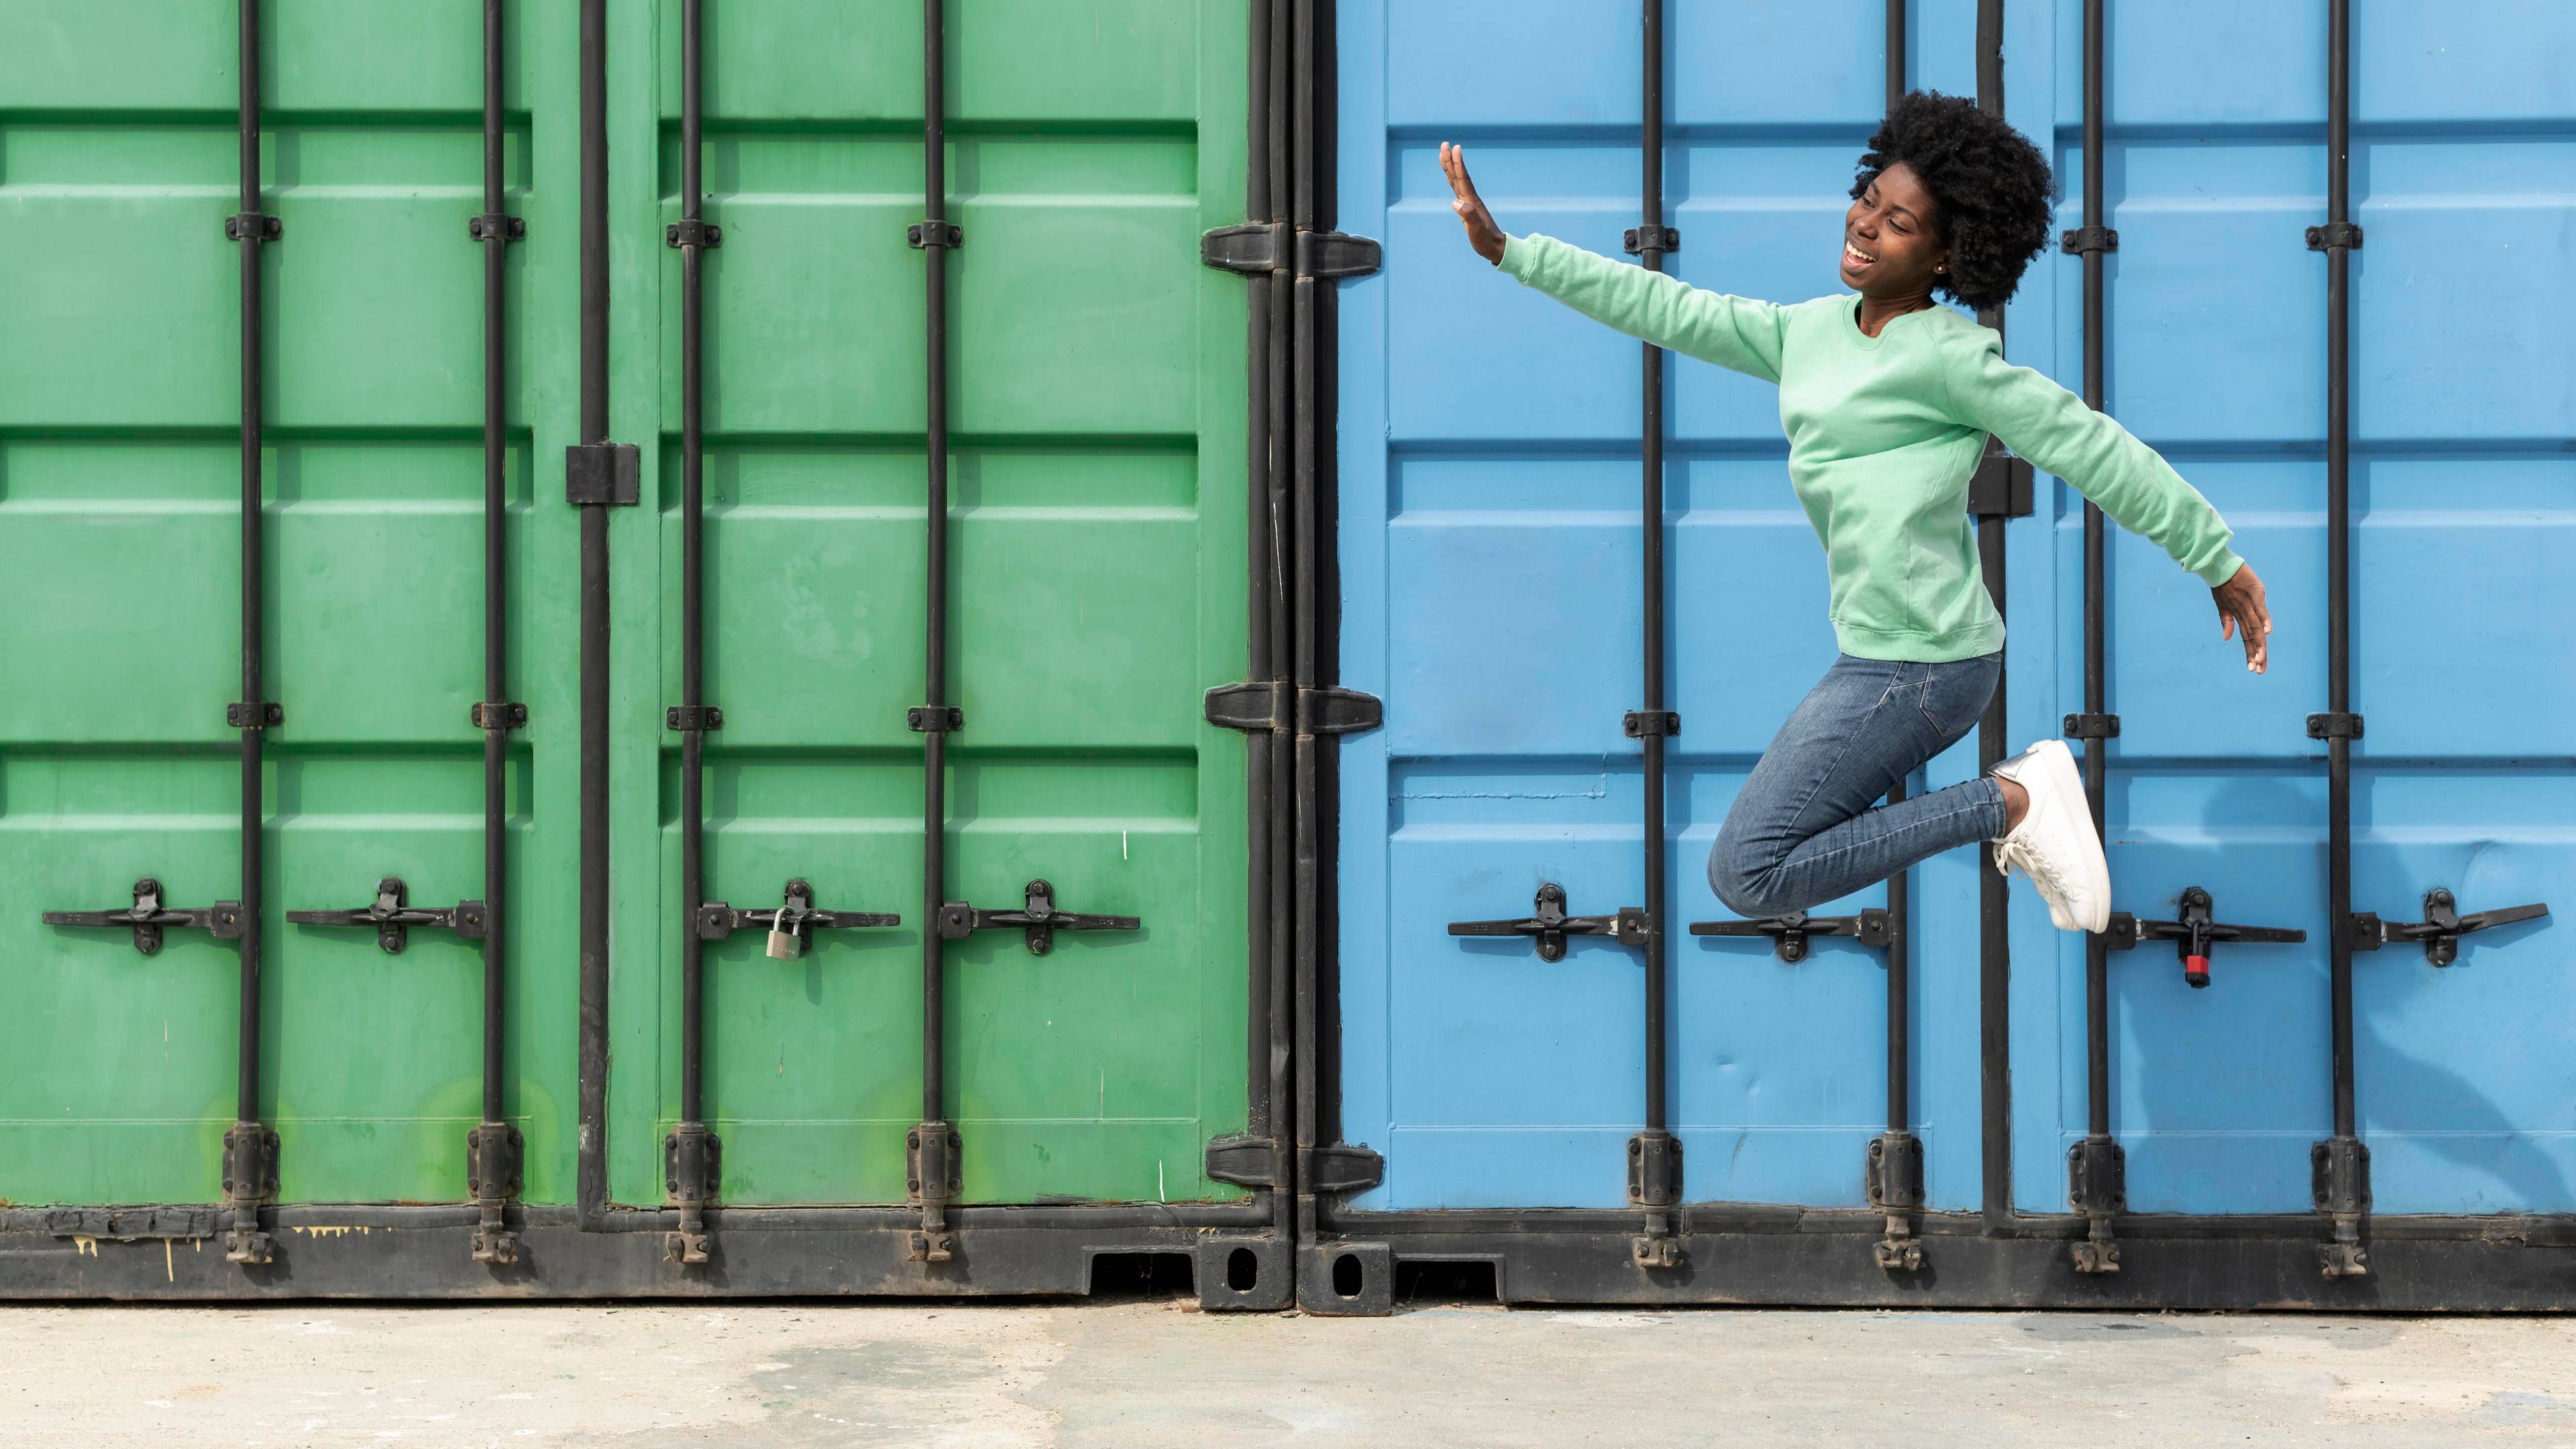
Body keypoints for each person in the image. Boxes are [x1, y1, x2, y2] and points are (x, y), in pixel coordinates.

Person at [1436, 90, 2273, 934]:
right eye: (1870, 198)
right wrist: (1514, 253)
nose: (1867, 224)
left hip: (1929, 665)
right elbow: (1669, 310)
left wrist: (2215, 558)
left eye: (1900, 224)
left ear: (1948, 258)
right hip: (1878, 655)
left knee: (1749, 872)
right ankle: (2012, 799)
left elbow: (2092, 447)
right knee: (1755, 869)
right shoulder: (1810, 332)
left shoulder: (1953, 359)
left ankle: (2014, 801)